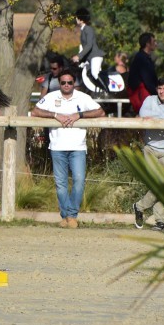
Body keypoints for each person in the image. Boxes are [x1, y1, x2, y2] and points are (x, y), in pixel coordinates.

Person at [30, 68, 105, 228]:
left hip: (78, 147)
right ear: (59, 83)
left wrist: (80, 115)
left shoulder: (82, 97)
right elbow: (35, 111)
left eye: (69, 82)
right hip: (57, 146)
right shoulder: (51, 97)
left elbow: (100, 111)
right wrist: (55, 115)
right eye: (63, 82)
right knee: (61, 183)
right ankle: (67, 216)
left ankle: (71, 215)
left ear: (74, 83)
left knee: (79, 181)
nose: (66, 85)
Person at [133, 77, 164, 231]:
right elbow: (142, 113)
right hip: (151, 148)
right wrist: (162, 118)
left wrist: (155, 118)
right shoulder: (150, 99)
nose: (161, 91)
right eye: (159, 88)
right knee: (158, 184)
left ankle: (140, 206)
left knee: (163, 185)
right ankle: (160, 220)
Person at [71, 8, 106, 93]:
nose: (76, 19)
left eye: (77, 17)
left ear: (81, 19)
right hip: (89, 58)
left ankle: (105, 91)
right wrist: (80, 60)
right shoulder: (84, 29)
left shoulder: (88, 29)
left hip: (95, 56)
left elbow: (89, 45)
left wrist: (78, 56)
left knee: (94, 73)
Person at [127, 33, 158, 113]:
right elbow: (148, 81)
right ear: (147, 44)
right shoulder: (141, 59)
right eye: (154, 41)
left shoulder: (145, 58)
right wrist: (157, 94)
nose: (156, 44)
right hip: (141, 95)